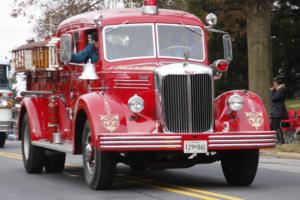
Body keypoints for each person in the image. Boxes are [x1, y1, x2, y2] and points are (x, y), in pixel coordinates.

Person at [270, 77, 288, 144]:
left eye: (275, 84)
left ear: (278, 84)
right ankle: (276, 139)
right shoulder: (278, 90)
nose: (273, 86)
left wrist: (272, 91)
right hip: (276, 111)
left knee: (276, 126)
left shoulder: (281, 90)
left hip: (278, 111)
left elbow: (274, 98)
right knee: (273, 126)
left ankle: (281, 140)